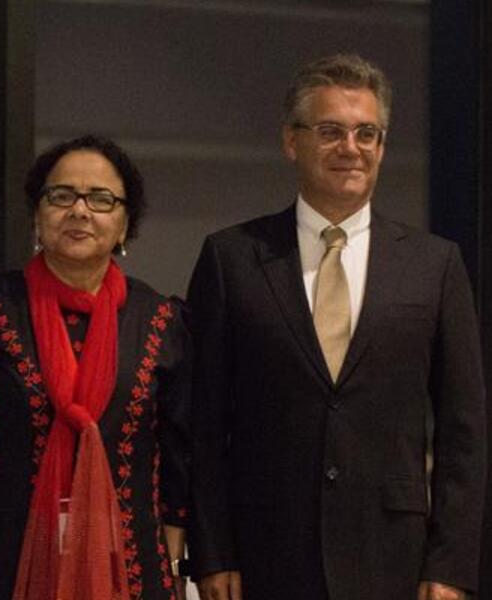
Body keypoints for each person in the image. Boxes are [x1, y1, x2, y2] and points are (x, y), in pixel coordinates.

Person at [184, 53, 487, 600]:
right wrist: (213, 550)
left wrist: (450, 565)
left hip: (396, 556)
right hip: (263, 554)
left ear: (382, 146)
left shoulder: (435, 264)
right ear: (291, 141)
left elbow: (464, 430)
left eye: (367, 133)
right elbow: (203, 421)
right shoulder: (231, 258)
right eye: (331, 131)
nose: (351, 148)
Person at [0, 135, 191, 600]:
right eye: (61, 196)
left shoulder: (161, 321)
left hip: (128, 566)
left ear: (126, 225)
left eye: (101, 199)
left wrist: (168, 565)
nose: (80, 211)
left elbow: (179, 459)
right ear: (37, 215)